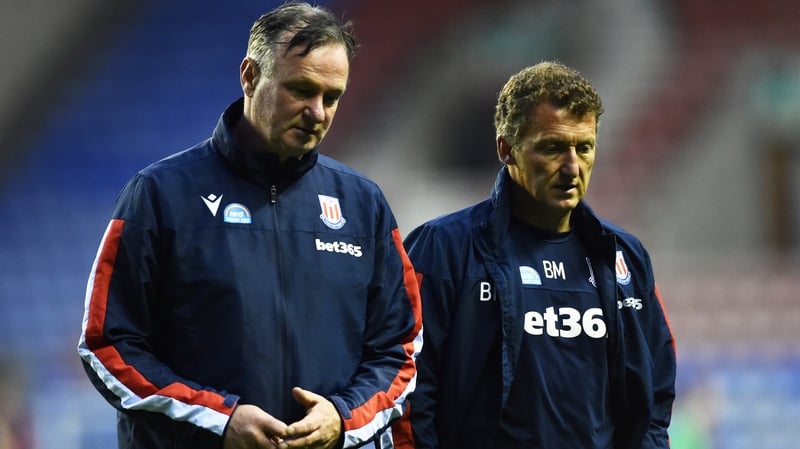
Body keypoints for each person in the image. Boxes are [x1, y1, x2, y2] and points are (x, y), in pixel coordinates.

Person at [77, 3, 422, 448]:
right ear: (250, 77)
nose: (317, 112)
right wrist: (218, 419)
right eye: (301, 89)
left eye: (331, 97)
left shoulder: (362, 204)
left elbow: (400, 348)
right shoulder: (160, 194)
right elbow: (107, 343)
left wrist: (343, 418)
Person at [400, 61, 676, 448]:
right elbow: (410, 391)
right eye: (552, 148)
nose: (571, 167)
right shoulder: (443, 249)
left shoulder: (624, 258)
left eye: (584, 147)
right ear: (506, 148)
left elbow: (655, 395)